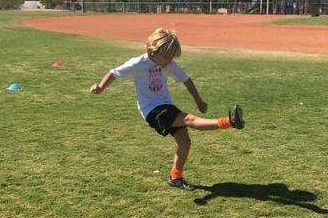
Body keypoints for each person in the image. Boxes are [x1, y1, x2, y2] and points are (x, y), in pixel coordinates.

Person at [89, 27, 244, 192]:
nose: (169, 61)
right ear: (155, 50)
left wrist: (199, 101)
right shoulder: (138, 63)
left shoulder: (168, 64)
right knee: (189, 119)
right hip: (151, 110)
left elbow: (186, 80)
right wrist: (100, 87)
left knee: (185, 142)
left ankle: (175, 177)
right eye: (167, 57)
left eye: (171, 58)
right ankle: (230, 122)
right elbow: (114, 73)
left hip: (166, 105)